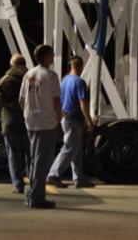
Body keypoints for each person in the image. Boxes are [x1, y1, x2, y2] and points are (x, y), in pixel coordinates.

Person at [18, 44, 61, 209]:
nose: (53, 56)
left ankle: (31, 194)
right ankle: (37, 198)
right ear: (46, 57)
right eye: (51, 54)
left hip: (31, 121)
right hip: (46, 122)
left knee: (35, 160)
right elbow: (56, 100)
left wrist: (28, 114)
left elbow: (21, 100)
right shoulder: (51, 75)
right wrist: (59, 116)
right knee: (42, 161)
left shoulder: (28, 74)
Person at [46, 55, 94, 188]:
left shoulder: (64, 80)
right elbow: (83, 103)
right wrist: (89, 121)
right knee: (70, 148)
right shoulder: (79, 82)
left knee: (76, 149)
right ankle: (53, 175)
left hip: (65, 117)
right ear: (80, 66)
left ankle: (79, 178)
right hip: (75, 119)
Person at [0, 53, 29, 194]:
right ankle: (34, 182)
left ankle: (18, 185)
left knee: (13, 155)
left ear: (11, 65)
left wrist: (11, 106)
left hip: (10, 122)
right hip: (29, 121)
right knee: (30, 155)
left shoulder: (6, 79)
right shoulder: (31, 78)